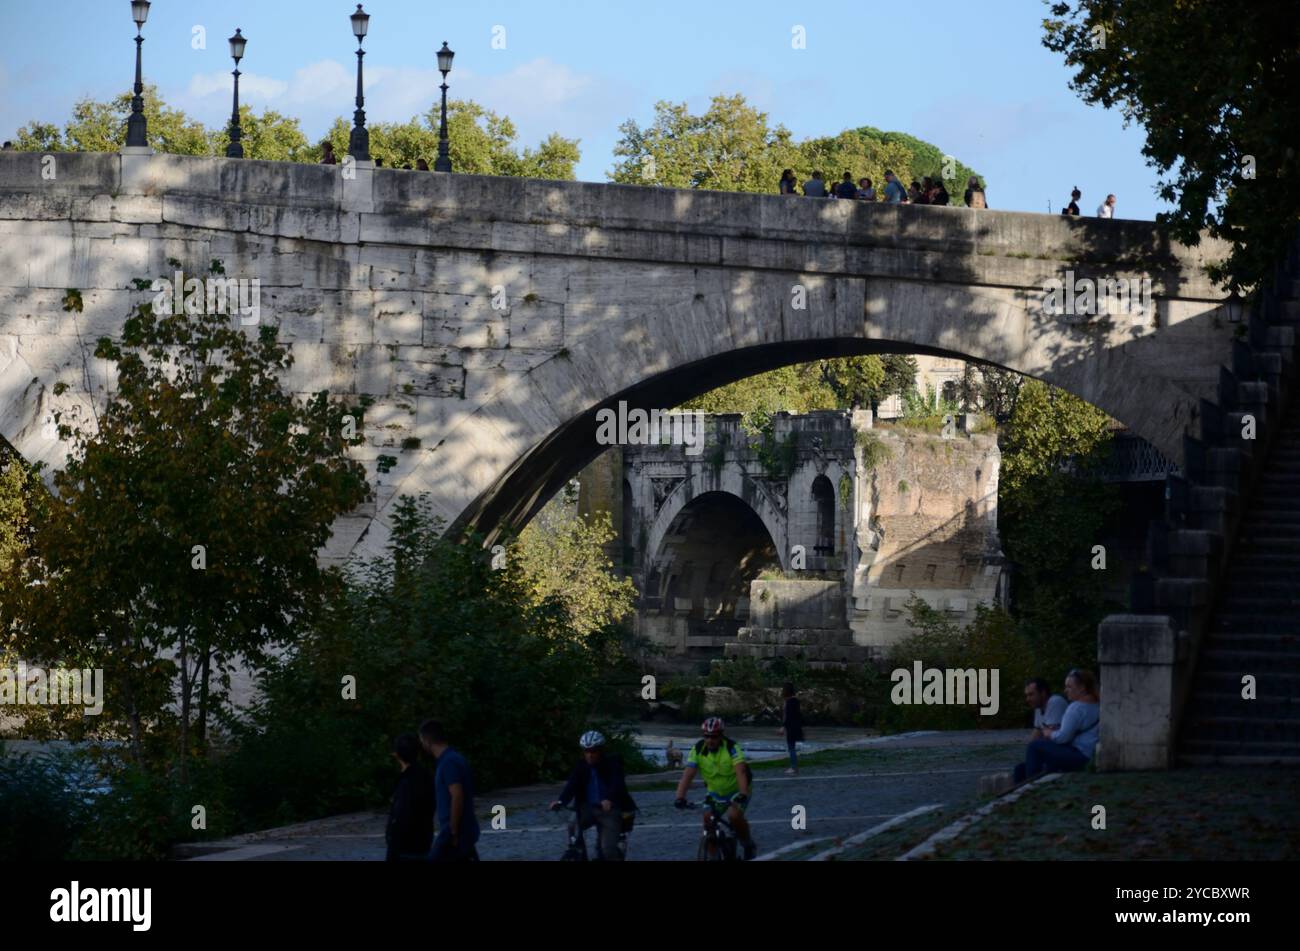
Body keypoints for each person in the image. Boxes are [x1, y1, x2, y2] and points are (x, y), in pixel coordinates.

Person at [674, 717, 757, 860]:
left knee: (734, 816)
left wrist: (743, 793)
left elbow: (741, 771)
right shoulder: (698, 749)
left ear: (721, 735)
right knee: (708, 820)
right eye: (706, 736)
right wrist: (679, 797)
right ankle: (714, 856)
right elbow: (688, 775)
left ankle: (748, 844)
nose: (710, 740)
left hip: (737, 790)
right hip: (715, 793)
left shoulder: (731, 747)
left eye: (714, 736)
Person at [549, 730, 637, 861]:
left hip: (609, 811)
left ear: (601, 751)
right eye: (586, 751)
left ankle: (617, 850)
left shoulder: (613, 764)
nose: (590, 755)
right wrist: (561, 802)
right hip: (588, 808)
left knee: (608, 851)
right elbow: (571, 785)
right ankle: (579, 853)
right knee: (572, 824)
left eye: (593, 751)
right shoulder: (581, 766)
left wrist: (609, 799)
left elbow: (617, 783)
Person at [1019, 669, 1100, 780]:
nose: (1065, 690)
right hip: (1090, 754)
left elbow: (1062, 738)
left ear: (1082, 688)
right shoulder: (1096, 704)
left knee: (1035, 747)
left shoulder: (1076, 707)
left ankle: (1030, 784)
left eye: (1069, 687)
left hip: (1081, 756)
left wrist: (1049, 733)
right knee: (1020, 768)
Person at [419, 718, 481, 861]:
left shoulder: (448, 762)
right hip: (463, 829)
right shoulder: (455, 758)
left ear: (427, 740)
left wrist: (453, 830)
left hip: (455, 830)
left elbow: (457, 795)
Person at [385, 733, 435, 861]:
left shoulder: (405, 782)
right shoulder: (426, 777)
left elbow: (401, 816)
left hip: (405, 847)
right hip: (423, 842)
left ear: (396, 754)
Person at [1012, 678, 1068, 782]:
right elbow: (1037, 733)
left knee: (1032, 765)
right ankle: (1023, 793)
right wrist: (1031, 755)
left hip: (1064, 751)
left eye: (1031, 694)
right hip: (1050, 752)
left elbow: (1049, 736)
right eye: (1027, 695)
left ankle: (1030, 789)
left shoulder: (1055, 702)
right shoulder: (1038, 708)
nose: (1027, 699)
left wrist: (1034, 751)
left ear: (1043, 693)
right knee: (1019, 769)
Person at [779, 683, 804, 775]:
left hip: (791, 728)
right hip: (795, 727)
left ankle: (794, 767)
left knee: (791, 748)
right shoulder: (795, 701)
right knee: (791, 747)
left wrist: (783, 727)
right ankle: (794, 767)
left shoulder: (790, 702)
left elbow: (788, 716)